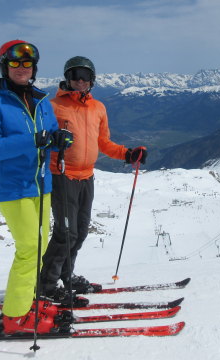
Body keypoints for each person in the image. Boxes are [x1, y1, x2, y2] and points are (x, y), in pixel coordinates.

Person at [0, 40, 73, 334]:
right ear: (5, 66)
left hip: (41, 184)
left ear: (34, 68)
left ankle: (27, 301)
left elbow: (49, 132)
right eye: (15, 63)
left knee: (39, 246)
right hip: (13, 186)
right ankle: (15, 316)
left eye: (27, 63)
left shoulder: (41, 101)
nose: (21, 68)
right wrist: (33, 140)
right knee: (29, 248)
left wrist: (59, 138)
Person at [40, 56, 147, 303]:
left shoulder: (98, 107)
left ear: (92, 80)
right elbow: (42, 139)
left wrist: (128, 154)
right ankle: (45, 286)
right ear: (67, 77)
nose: (80, 80)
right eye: (75, 74)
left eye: (85, 75)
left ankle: (67, 276)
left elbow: (103, 142)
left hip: (87, 177)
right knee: (66, 233)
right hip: (62, 175)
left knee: (80, 232)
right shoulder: (52, 106)